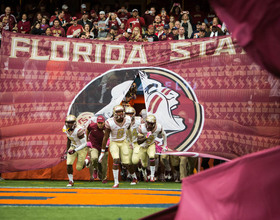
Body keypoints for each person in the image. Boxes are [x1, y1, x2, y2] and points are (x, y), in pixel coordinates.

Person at [98, 105, 138, 188]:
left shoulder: (128, 119)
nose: (120, 114)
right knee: (116, 159)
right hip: (114, 142)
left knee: (127, 163)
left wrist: (131, 142)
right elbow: (105, 137)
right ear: (114, 114)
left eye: (121, 112)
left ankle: (134, 177)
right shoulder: (110, 122)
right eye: (118, 112)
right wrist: (102, 152)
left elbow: (129, 130)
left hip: (124, 141)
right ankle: (116, 182)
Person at [137, 115, 167, 182]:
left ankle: (152, 176)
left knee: (152, 156)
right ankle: (144, 173)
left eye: (151, 124)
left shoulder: (158, 127)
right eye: (148, 123)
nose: (150, 125)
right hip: (143, 146)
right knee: (144, 164)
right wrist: (146, 137)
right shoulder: (141, 127)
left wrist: (165, 145)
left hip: (151, 144)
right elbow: (139, 141)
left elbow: (164, 134)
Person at [63, 115, 90, 187]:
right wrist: (67, 150)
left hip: (82, 148)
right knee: (68, 163)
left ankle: (86, 161)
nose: (69, 124)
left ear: (75, 123)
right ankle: (71, 181)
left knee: (79, 168)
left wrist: (75, 150)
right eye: (68, 122)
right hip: (73, 146)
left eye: (71, 123)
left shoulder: (79, 130)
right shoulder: (65, 128)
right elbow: (68, 139)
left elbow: (84, 144)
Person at [87, 115, 108, 183]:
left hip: (104, 147)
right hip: (94, 146)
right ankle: (95, 168)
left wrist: (107, 145)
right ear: (97, 122)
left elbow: (110, 137)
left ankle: (103, 177)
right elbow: (87, 129)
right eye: (99, 123)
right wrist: (87, 139)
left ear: (104, 123)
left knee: (104, 164)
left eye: (101, 123)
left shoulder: (107, 128)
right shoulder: (92, 126)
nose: (100, 124)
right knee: (94, 158)